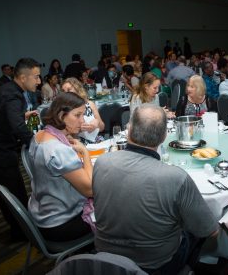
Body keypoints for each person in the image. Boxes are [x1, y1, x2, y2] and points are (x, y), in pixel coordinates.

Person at [92, 104, 218, 273]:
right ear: (164, 136)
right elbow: (210, 231)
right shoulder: (176, 177)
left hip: (104, 257)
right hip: (156, 265)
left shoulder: (102, 162)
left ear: (129, 130)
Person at [0, 58, 41, 240]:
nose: (39, 81)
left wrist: (22, 115)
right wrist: (39, 146)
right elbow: (19, 128)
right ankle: (23, 233)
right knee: (15, 195)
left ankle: (18, 230)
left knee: (8, 194)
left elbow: (6, 115)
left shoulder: (6, 90)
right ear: (22, 77)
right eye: (36, 77)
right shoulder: (13, 95)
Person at [28, 92, 93, 241]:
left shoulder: (39, 135)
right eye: (77, 115)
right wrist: (85, 154)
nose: (82, 120)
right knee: (116, 211)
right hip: (61, 223)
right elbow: (90, 190)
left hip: (43, 212)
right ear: (61, 115)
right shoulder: (58, 150)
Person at [61, 78, 104, 144]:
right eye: (64, 91)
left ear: (77, 90)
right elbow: (64, 135)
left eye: (69, 90)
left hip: (97, 140)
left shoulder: (89, 104)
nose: (66, 93)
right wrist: (79, 129)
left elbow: (102, 127)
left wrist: (96, 124)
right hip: (78, 143)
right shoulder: (63, 110)